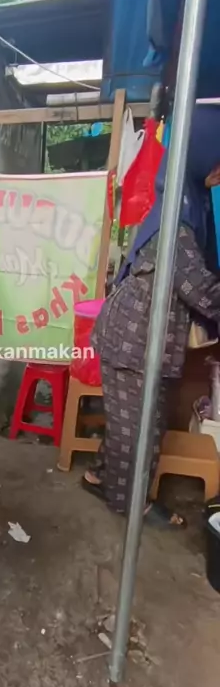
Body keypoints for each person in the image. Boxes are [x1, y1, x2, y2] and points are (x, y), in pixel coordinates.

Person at [81, 106, 220, 529]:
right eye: (217, 161)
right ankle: (129, 504)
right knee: (139, 427)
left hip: (138, 335)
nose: (219, 172)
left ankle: (98, 475)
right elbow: (199, 287)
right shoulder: (177, 219)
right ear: (199, 156)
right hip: (134, 340)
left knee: (130, 420)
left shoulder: (185, 200)